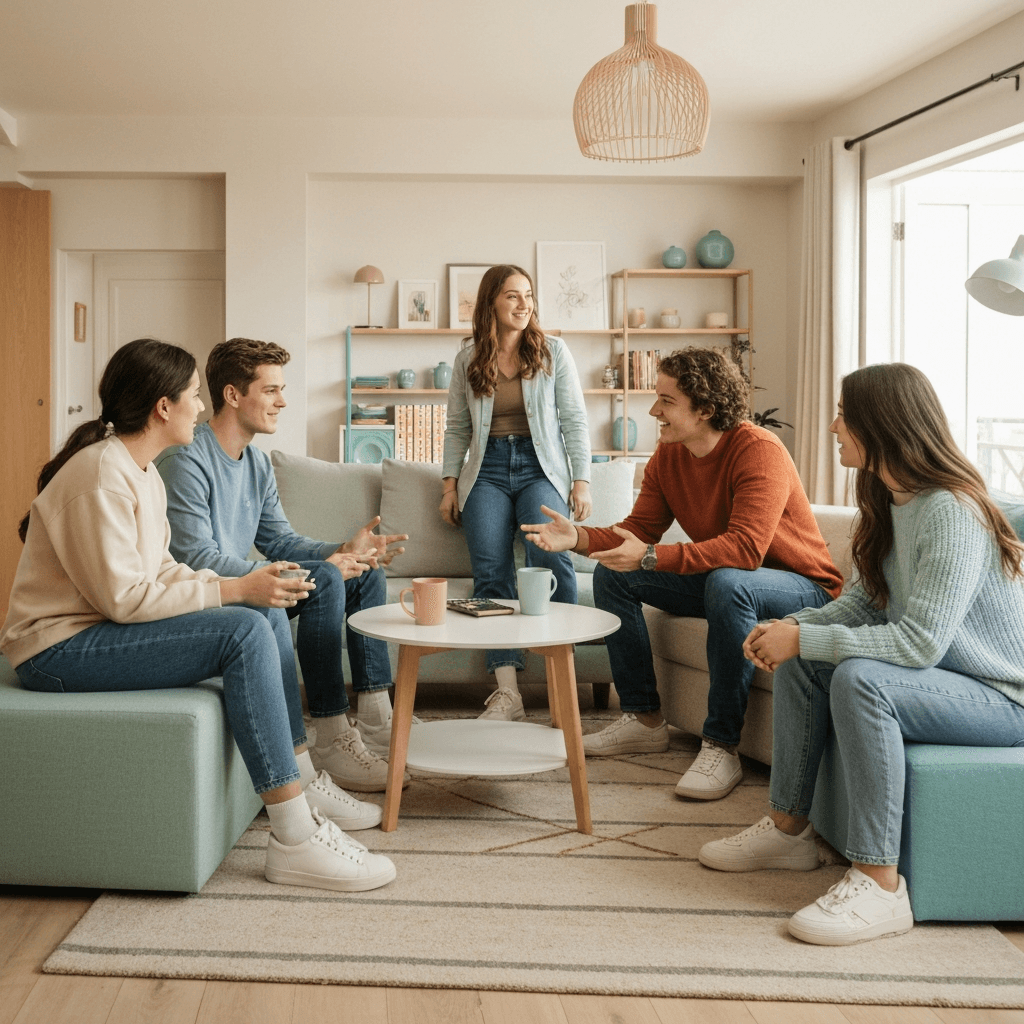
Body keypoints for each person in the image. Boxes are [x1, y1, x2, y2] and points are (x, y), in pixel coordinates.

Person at [1, 338, 397, 893]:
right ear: (163, 407)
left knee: (256, 614)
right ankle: (294, 835)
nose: (199, 406)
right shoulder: (100, 477)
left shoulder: (138, 471)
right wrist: (233, 589)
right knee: (243, 627)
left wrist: (241, 587)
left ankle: (299, 794)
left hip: (94, 632)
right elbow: (126, 598)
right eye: (192, 395)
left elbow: (161, 572)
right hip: (55, 651)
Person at [698, 363, 1024, 945]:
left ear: (883, 423)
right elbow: (863, 605)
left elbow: (920, 642)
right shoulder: (889, 498)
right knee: (808, 658)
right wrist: (792, 627)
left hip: (1001, 699)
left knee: (860, 679)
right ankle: (789, 829)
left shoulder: (950, 509)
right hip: (945, 681)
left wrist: (806, 636)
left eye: (844, 415)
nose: (832, 426)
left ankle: (879, 883)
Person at [522, 347, 842, 799]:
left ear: (706, 408)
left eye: (666, 401)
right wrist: (578, 539)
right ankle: (644, 719)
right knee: (614, 576)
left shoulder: (758, 450)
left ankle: (721, 746)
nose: (654, 410)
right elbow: (637, 532)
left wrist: (651, 557)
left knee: (728, 581)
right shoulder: (670, 455)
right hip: (727, 584)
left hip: (802, 588)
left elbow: (746, 549)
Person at [157, 338, 409, 792]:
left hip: (246, 587)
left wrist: (343, 548)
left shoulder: (256, 461)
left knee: (363, 570)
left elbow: (280, 539)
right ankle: (330, 734)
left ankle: (375, 719)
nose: (282, 400)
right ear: (234, 395)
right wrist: (314, 568)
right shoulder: (187, 458)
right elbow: (195, 558)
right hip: (209, 599)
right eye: (271, 389)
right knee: (329, 578)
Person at [440, 265, 592, 721]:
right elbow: (457, 427)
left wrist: (581, 479)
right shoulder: (467, 357)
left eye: (528, 295)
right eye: (512, 296)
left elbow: (574, 421)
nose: (524, 304)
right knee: (491, 573)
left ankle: (559, 682)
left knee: (550, 559)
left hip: (538, 466)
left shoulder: (553, 352)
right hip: (485, 471)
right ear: (492, 303)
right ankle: (507, 691)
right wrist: (449, 485)